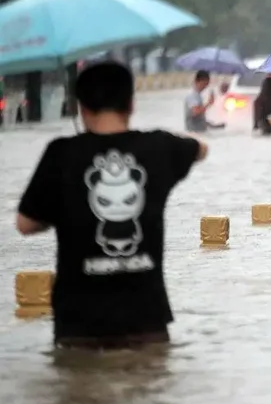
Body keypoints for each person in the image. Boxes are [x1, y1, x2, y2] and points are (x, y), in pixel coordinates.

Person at [15, 62, 208, 350]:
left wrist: (68, 210)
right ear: (131, 103)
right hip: (146, 322)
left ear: (80, 106)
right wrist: (159, 137)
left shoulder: (61, 153)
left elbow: (25, 224)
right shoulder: (158, 148)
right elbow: (201, 148)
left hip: (79, 325)